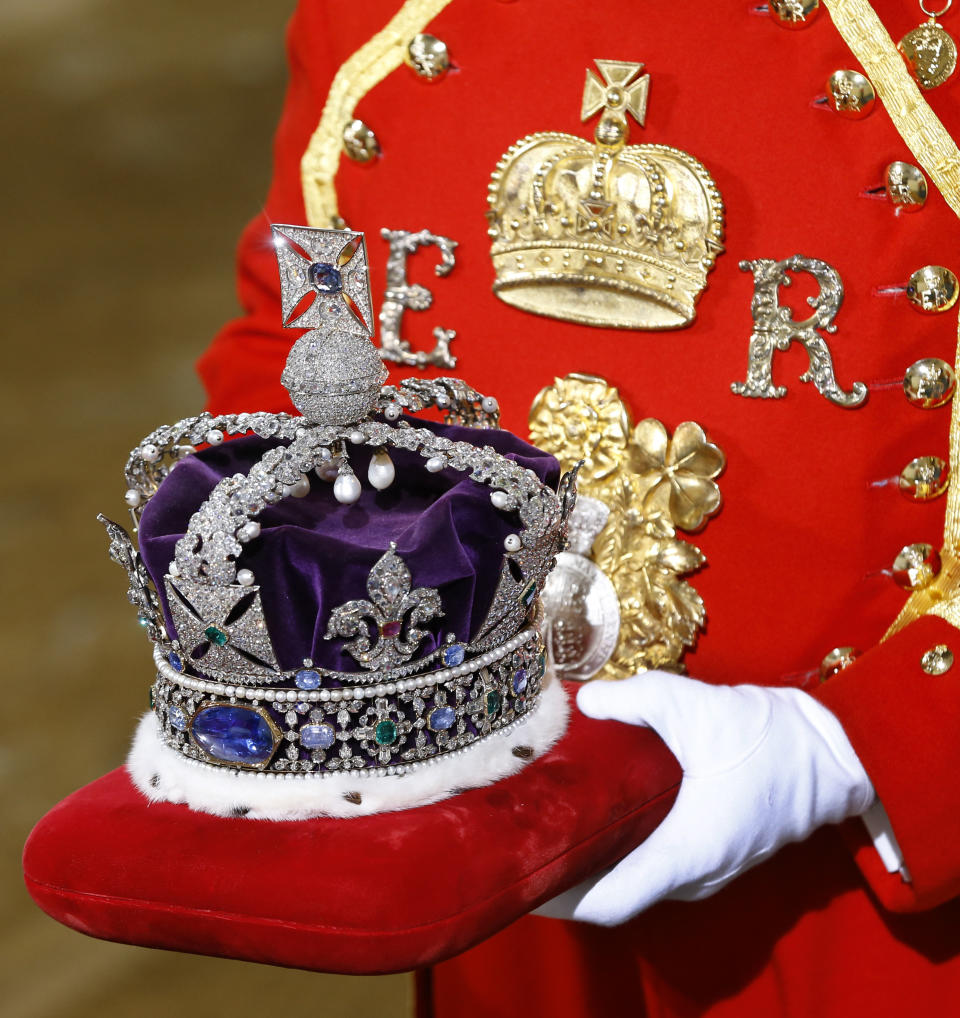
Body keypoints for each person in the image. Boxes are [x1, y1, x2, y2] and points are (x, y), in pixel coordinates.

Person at [198, 0, 960, 1013]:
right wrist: (307, 589)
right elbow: (298, 330)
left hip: (889, 906)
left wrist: (859, 748)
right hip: (494, 842)